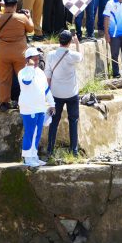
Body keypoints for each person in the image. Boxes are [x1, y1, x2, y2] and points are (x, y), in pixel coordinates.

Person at [45, 30, 82, 158]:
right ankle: (74, 151)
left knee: (54, 122)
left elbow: (48, 75)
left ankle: (50, 151)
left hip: (56, 94)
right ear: (70, 42)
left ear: (59, 40)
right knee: (73, 121)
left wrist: (48, 94)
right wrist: (77, 44)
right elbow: (80, 56)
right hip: (71, 93)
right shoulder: (73, 55)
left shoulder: (50, 55)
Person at [0, 0, 34, 111]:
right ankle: (24, 102)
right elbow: (31, 29)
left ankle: (4, 102)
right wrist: (29, 17)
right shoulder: (22, 18)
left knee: (4, 79)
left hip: (3, 53)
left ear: (4, 5)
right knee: (23, 79)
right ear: (15, 5)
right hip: (20, 53)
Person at [19, 47, 55, 168]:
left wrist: (52, 104)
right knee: (30, 133)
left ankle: (34, 156)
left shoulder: (40, 72)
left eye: (37, 58)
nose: (37, 61)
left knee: (37, 133)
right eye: (34, 59)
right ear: (28, 60)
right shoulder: (23, 72)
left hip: (40, 108)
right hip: (29, 109)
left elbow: (46, 90)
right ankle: (27, 158)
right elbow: (27, 81)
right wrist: (30, 67)